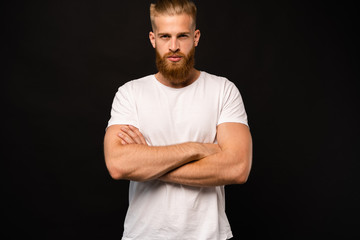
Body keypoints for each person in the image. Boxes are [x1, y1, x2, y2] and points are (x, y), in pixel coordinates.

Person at [103, 0, 252, 239]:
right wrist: (198, 148)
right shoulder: (130, 93)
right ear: (153, 39)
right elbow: (118, 164)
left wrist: (148, 164)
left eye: (182, 36)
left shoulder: (223, 90)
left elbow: (237, 168)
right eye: (165, 37)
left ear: (196, 37)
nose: (173, 46)